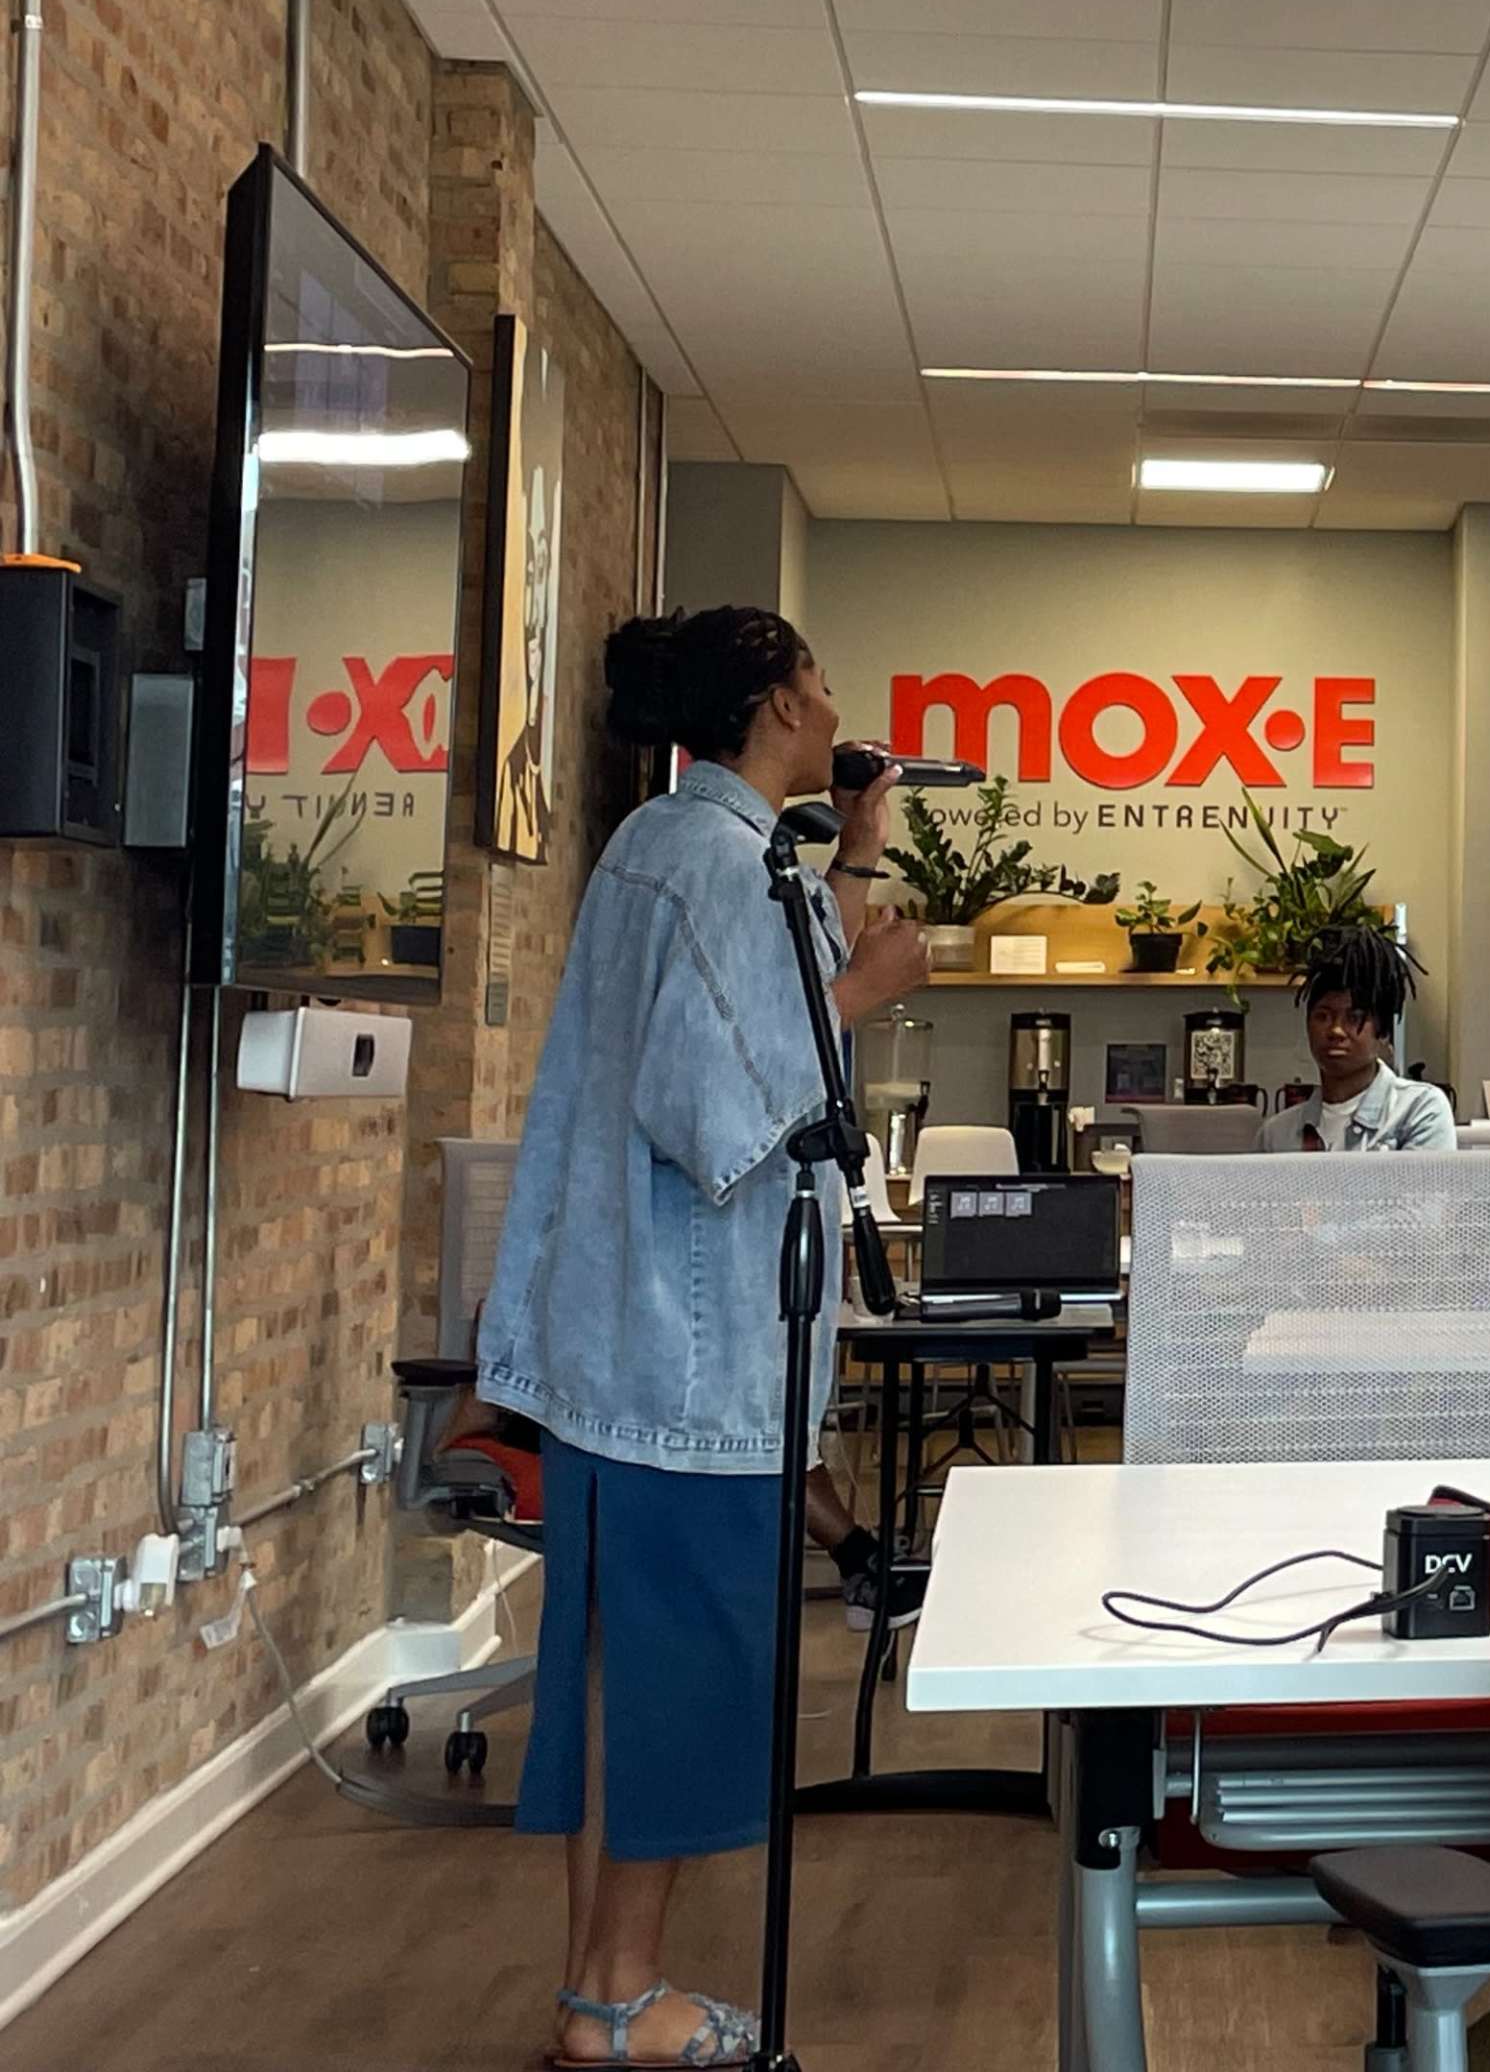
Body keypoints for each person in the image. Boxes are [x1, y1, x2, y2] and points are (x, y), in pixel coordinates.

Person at [478, 608, 928, 2072]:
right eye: (824, 683)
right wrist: (875, 987)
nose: (838, 701)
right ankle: (620, 2002)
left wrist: (856, 854)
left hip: (644, 1349)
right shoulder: (709, 865)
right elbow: (718, 1105)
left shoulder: (693, 848)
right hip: (681, 1349)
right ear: (779, 701)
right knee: (666, 1690)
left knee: (630, 1679)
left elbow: (769, 998)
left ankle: (593, 1996)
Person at [1264, 923, 1452, 1152]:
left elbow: (1422, 1187)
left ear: (1382, 1032)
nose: (1336, 1030)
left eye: (1354, 1018)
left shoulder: (1419, 1110)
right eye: (1323, 1016)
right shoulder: (1276, 1134)